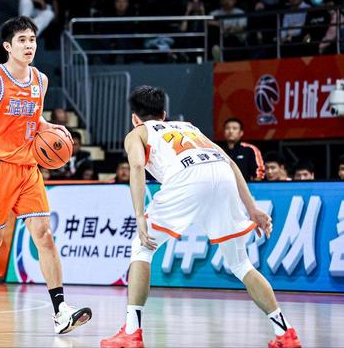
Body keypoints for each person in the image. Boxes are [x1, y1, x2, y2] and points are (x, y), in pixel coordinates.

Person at [100, 85, 301, 348]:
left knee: (141, 247)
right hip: (221, 175)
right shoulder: (189, 127)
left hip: (187, 179)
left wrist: (139, 215)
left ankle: (131, 332)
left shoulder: (137, 132)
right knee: (241, 263)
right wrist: (252, 208)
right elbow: (230, 162)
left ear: (134, 117)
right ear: (164, 114)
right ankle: (285, 333)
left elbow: (137, 165)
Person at [0, 16, 92, 334]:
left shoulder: (40, 80)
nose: (29, 46)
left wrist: (50, 128)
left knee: (44, 235)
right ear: (7, 46)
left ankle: (61, 311)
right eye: (22, 40)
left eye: (32, 40)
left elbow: (32, 117)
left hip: (27, 168)